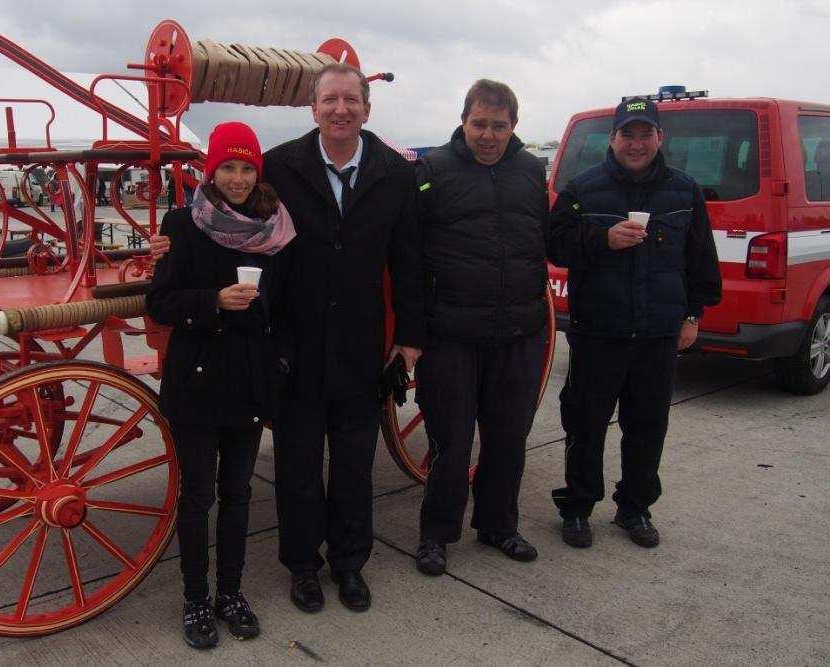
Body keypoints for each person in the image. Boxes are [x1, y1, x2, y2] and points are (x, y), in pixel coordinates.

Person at [263, 63, 424, 613]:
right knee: (298, 467)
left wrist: (409, 336)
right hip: (297, 346)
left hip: (361, 347)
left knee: (355, 464)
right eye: (329, 100)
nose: (340, 110)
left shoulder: (394, 174)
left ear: (366, 109)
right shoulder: (278, 168)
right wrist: (173, 240)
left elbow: (409, 263)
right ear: (313, 108)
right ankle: (303, 567)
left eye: (350, 100)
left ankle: (350, 564)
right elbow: (233, 224)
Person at [145, 121, 296, 649]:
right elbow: (159, 302)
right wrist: (214, 301)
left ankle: (230, 594)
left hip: (250, 380)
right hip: (200, 379)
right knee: (198, 496)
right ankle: (195, 600)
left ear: (259, 172)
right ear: (210, 172)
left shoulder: (275, 227)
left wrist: (278, 359)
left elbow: (284, 306)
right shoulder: (183, 225)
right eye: (227, 167)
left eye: (247, 167)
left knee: (238, 494)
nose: (237, 178)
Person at [547, 98, 721, 549]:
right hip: (598, 331)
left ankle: (635, 508)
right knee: (584, 424)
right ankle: (578, 508)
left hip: (658, 332)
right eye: (628, 134)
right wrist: (602, 238)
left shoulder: (684, 191)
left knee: (647, 426)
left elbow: (701, 259)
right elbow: (554, 245)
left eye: (646, 134)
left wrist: (692, 316)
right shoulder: (583, 189)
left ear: (660, 139)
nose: (637, 143)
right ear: (613, 138)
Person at [413, 80, 550, 576]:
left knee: (509, 437)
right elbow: (407, 254)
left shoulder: (531, 171)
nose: (488, 135)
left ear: (514, 126)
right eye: (479, 124)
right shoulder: (433, 171)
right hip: (451, 332)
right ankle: (436, 535)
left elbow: (549, 238)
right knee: (450, 442)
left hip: (518, 331)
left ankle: (498, 525)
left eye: (499, 126)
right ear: (463, 120)